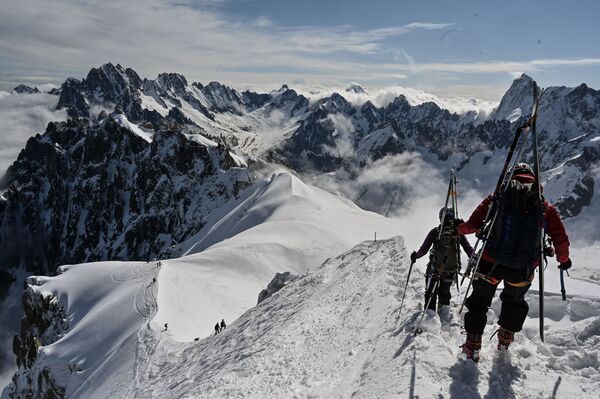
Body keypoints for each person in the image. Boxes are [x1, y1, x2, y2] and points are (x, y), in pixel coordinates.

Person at [457, 163, 571, 362]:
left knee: (479, 302)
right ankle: (504, 342)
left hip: (489, 264)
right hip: (522, 269)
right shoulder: (544, 207)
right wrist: (564, 260)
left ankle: (472, 345)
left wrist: (459, 230)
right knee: (514, 303)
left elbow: (472, 225)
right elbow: (560, 240)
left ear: (509, 178)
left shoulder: (495, 199)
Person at [411, 207, 473, 313]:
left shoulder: (436, 232)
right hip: (450, 270)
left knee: (430, 292)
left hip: (434, 268)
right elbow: (468, 249)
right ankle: (444, 315)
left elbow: (424, 250)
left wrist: (415, 256)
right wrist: (476, 259)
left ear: (441, 218)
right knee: (445, 293)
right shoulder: (458, 233)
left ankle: (429, 317)